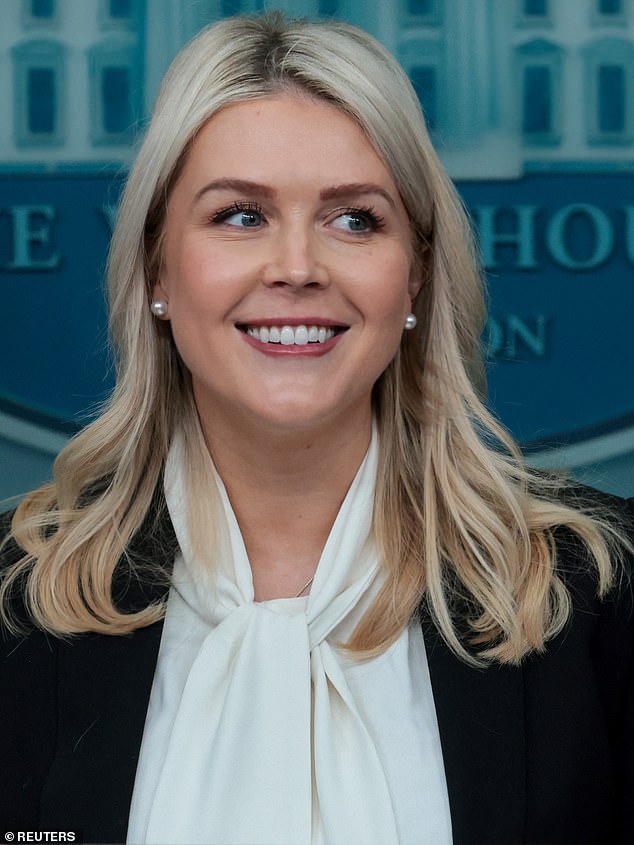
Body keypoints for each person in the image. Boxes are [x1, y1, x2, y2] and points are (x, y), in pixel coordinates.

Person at [1, 12, 632, 845]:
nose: (296, 267)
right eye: (239, 215)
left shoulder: (600, 593)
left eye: (355, 219)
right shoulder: (12, 599)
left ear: (415, 276)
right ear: (157, 267)